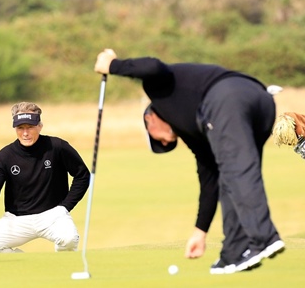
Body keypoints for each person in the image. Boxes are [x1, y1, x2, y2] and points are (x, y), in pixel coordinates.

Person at [94, 49, 285, 274]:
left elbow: (153, 67)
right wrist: (200, 231)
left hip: (227, 98)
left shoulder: (156, 92)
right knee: (230, 175)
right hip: (260, 101)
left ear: (150, 119)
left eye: (158, 141)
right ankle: (234, 253)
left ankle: (264, 238)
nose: (165, 143)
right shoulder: (197, 135)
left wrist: (113, 65)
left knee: (238, 172)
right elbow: (210, 181)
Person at [0, 102, 90, 253]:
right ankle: (24, 261)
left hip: (53, 215)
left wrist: (65, 207)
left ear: (40, 126)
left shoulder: (57, 147)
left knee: (69, 240)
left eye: (30, 127)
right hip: (17, 220)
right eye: (20, 128)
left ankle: (61, 264)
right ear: (15, 128)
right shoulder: (5, 156)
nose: (25, 133)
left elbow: (82, 175)